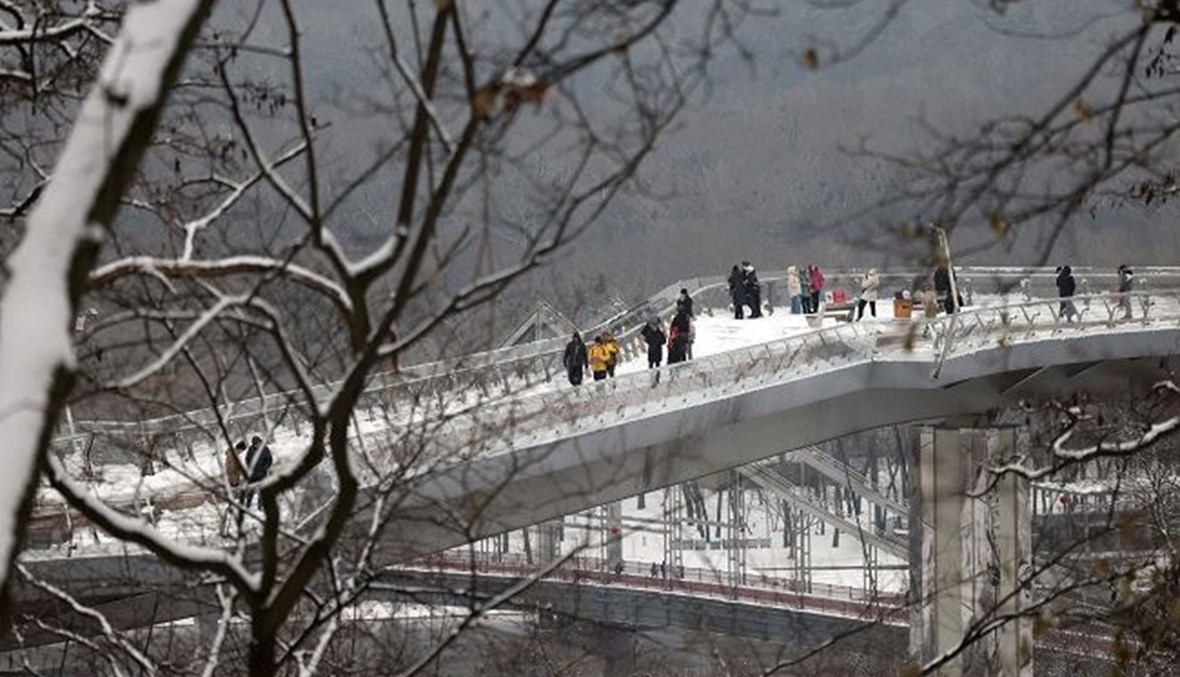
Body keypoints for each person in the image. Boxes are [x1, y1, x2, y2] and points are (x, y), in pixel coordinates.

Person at [243, 436, 273, 508]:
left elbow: (270, 460)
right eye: (255, 444)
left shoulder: (265, 449)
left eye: (258, 443)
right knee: (251, 489)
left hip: (262, 472)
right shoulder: (250, 449)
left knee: (262, 490)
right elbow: (247, 459)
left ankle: (260, 505)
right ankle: (248, 504)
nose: (257, 445)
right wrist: (250, 467)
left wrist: (265, 468)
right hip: (253, 473)